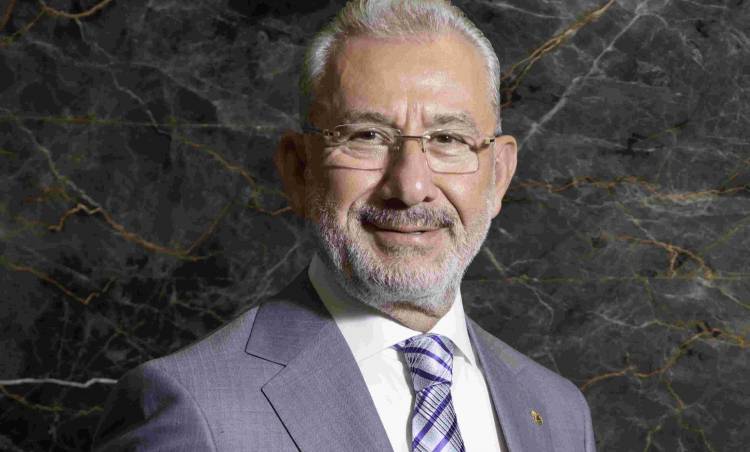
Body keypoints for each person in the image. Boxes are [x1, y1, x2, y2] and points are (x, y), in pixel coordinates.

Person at [93, 1, 595, 450]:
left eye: (448, 139)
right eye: (367, 136)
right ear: (299, 170)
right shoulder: (192, 409)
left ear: (499, 175)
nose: (410, 186)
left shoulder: (558, 411)